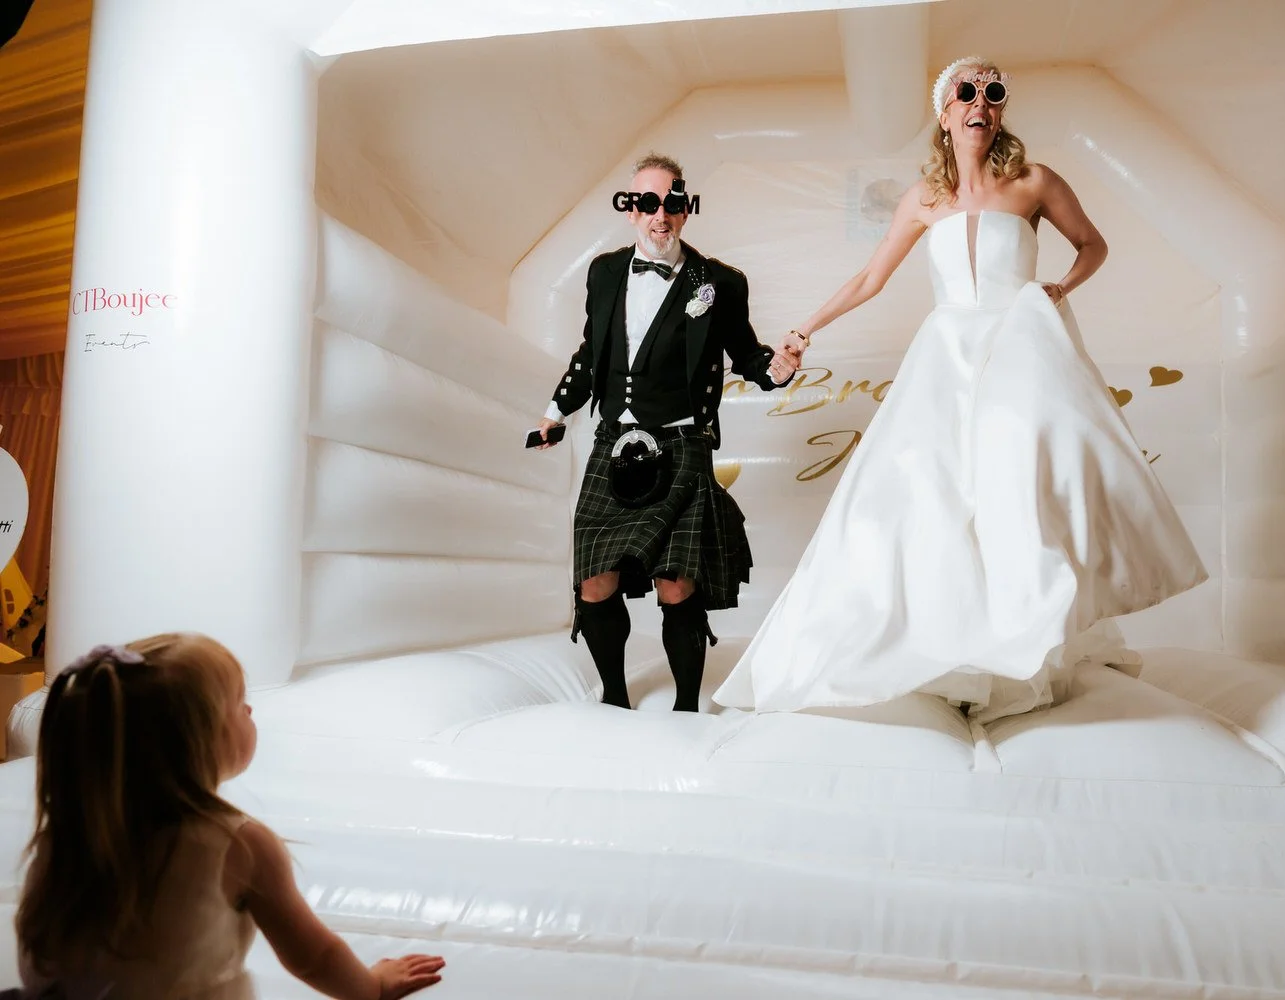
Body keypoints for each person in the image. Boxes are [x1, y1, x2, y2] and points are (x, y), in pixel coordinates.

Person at [714, 57, 1208, 721]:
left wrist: (1059, 287)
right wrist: (805, 326)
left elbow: (1093, 245)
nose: (982, 102)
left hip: (1019, 350)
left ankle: (1021, 645)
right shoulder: (924, 197)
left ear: (999, 110)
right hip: (945, 357)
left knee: (1016, 490)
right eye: (967, 92)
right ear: (946, 114)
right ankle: (943, 651)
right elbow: (869, 278)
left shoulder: (1033, 181)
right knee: (922, 495)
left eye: (993, 92)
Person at [14, 635, 445, 999]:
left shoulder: (69, 832)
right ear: (199, 742)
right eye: (239, 704)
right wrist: (373, 985)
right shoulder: (238, 844)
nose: (251, 712)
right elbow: (314, 956)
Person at [534, 153, 802, 712]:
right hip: (615, 443)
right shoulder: (605, 273)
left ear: (686, 209)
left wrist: (776, 368)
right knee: (594, 579)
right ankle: (614, 698)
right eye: (648, 203)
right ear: (630, 210)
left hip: (683, 446)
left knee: (677, 584)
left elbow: (748, 354)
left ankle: (686, 707)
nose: (661, 215)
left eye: (672, 203)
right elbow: (591, 352)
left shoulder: (719, 283)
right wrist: (556, 413)